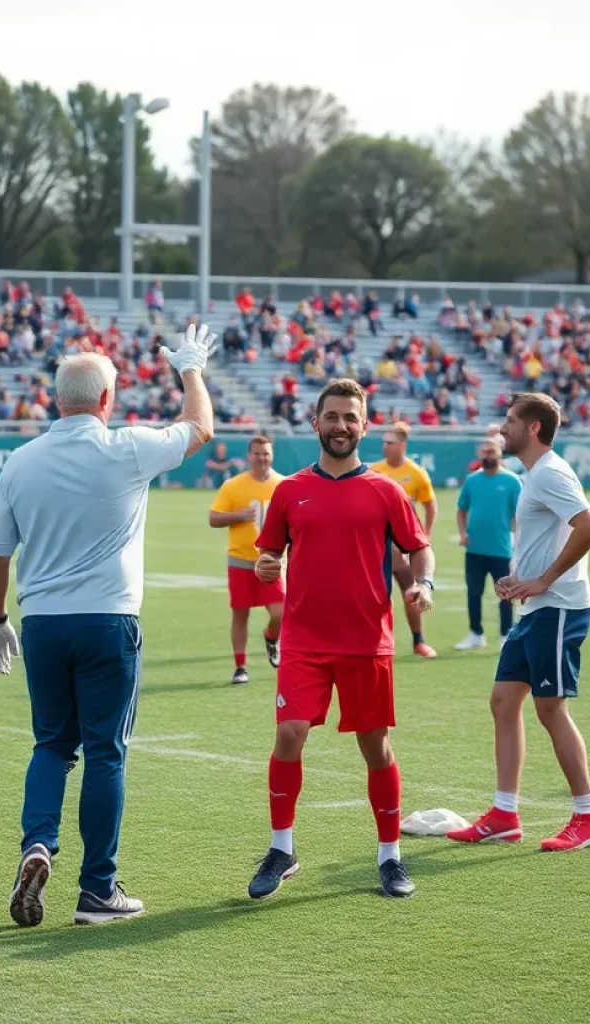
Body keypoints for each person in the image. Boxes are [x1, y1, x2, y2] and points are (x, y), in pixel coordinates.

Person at [0, 323, 215, 928]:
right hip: (108, 620)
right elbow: (200, 429)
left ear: (57, 399)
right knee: (106, 753)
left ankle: (37, 845)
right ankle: (97, 890)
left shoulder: (20, 461)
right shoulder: (127, 447)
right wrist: (190, 368)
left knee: (52, 746)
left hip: (42, 624)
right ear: (106, 400)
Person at [248, 379, 434, 900]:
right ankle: (282, 850)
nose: (340, 426)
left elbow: (419, 549)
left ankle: (390, 857)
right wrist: (267, 567)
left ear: (364, 425)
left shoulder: (386, 491)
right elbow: (269, 556)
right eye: (331, 416)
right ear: (315, 423)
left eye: (350, 418)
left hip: (366, 642)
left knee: (374, 747)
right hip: (305, 642)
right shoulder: (289, 490)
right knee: (288, 734)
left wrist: (423, 583)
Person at [446, 393, 590, 852]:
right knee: (503, 701)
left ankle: (588, 817)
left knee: (550, 708)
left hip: (558, 608)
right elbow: (548, 535)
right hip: (537, 607)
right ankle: (504, 813)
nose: (502, 428)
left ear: (534, 428)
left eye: (511, 421)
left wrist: (544, 579)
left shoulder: (551, 472)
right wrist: (522, 578)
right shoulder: (536, 475)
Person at [208, 435, 284, 684]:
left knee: (280, 612)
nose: (262, 458)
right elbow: (214, 518)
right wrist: (238, 515)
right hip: (240, 560)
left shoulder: (283, 485)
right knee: (240, 614)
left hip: (271, 560)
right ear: (249, 456)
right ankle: (240, 666)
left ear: (272, 455)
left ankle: (272, 637)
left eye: (266, 453)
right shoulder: (233, 485)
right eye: (257, 453)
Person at [370, 421, 439, 658]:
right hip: (377, 547)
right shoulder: (374, 471)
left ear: (402, 445)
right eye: (383, 443)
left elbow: (431, 505)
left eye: (389, 443)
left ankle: (418, 641)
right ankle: (377, 641)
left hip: (404, 546)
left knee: (412, 592)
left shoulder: (416, 473)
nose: (385, 447)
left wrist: (425, 536)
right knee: (375, 597)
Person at [454, 437, 522, 652]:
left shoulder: (512, 481)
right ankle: (476, 633)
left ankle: (505, 634)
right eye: (484, 452)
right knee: (473, 592)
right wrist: (462, 533)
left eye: (491, 451)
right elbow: (461, 509)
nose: (488, 455)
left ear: (500, 453)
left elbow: (520, 513)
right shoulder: (472, 481)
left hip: (501, 549)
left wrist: (514, 535)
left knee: (505, 593)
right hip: (474, 549)